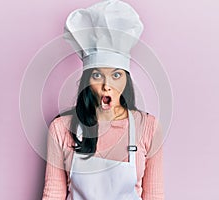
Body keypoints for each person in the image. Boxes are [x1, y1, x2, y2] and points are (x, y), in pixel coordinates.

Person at [42, 0, 164, 199]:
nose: (107, 85)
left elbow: (154, 195)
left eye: (116, 75)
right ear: (87, 81)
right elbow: (53, 193)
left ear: (126, 80)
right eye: (98, 75)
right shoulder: (61, 128)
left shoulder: (148, 128)